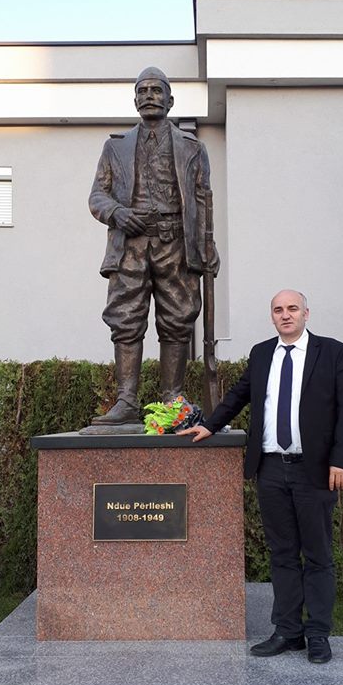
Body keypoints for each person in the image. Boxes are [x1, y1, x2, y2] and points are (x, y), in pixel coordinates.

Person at [178, 290, 343, 664]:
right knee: (282, 554)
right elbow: (239, 395)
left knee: (318, 554)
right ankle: (288, 631)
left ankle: (318, 634)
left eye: (292, 308)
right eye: (278, 310)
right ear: (272, 317)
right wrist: (209, 425)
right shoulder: (262, 354)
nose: (285, 315)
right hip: (271, 469)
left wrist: (341, 461)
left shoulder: (332, 352)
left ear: (306, 313)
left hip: (315, 470)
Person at [89, 66, 218, 424]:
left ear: (170, 100)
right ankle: (126, 400)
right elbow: (97, 195)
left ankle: (172, 399)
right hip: (129, 244)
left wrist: (207, 246)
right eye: (142, 91)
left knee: (178, 318)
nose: (149, 96)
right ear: (134, 100)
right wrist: (117, 212)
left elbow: (203, 199)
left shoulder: (193, 148)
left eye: (156, 90)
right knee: (125, 318)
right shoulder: (114, 147)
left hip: (175, 242)